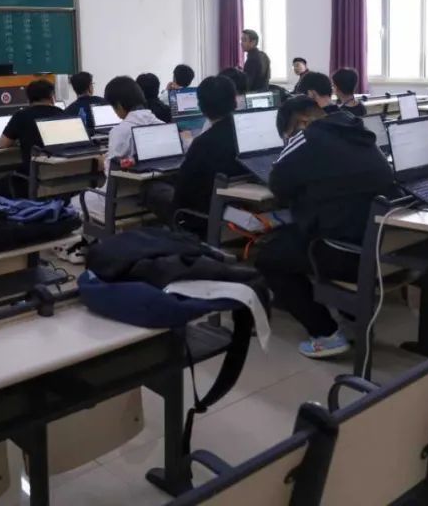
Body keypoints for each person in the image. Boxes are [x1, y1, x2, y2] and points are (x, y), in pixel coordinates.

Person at [256, 98, 394, 358]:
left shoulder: (306, 138)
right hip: (383, 251)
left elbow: (278, 185)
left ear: (301, 123)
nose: (289, 142)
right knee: (295, 236)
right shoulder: (358, 131)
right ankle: (353, 320)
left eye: (287, 137)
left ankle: (325, 333)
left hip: (345, 254)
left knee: (267, 256)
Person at [163, 76, 247, 228]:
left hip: (204, 216)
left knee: (155, 190)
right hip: (239, 207)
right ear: (234, 101)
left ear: (200, 106)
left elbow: (182, 191)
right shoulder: (247, 133)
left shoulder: (202, 144)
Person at [81, 77, 163, 224]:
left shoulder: (119, 132)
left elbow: (112, 173)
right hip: (152, 202)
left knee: (76, 202)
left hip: (118, 206)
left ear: (118, 105)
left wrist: (104, 162)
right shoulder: (162, 125)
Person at [0, 79, 64, 196]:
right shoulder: (62, 113)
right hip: (62, 173)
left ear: (29, 98)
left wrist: (19, 140)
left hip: (35, 175)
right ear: (51, 97)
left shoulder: (21, 115)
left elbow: (3, 144)